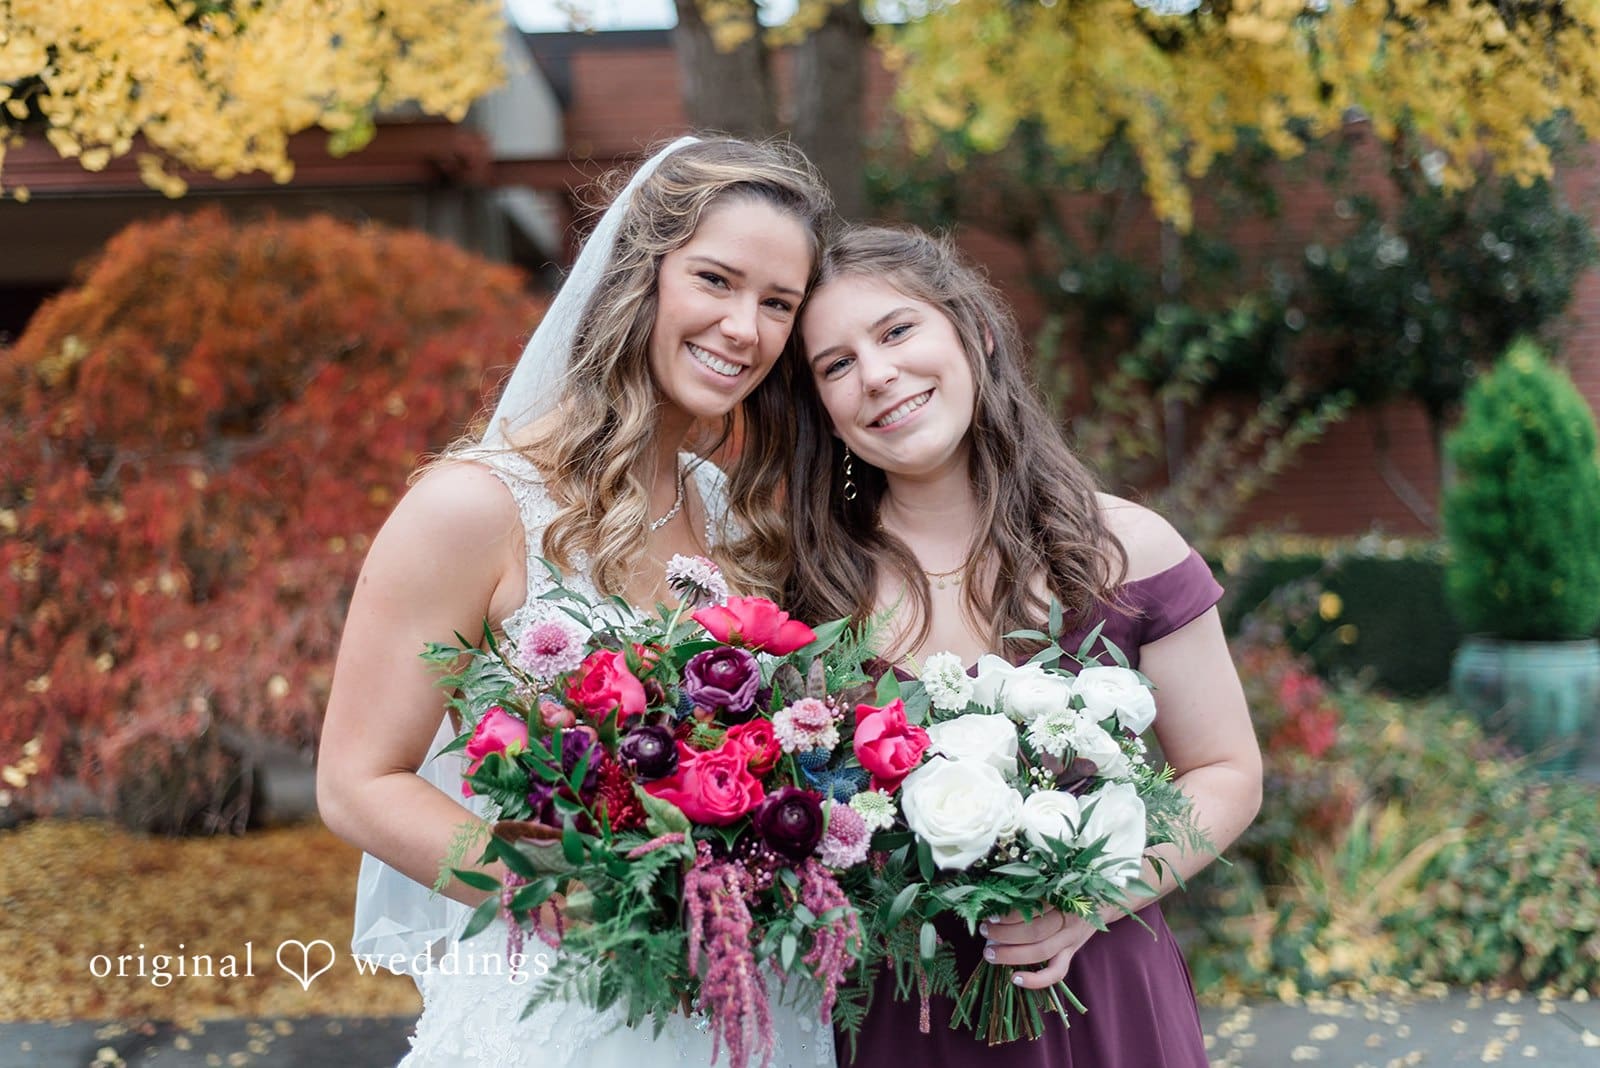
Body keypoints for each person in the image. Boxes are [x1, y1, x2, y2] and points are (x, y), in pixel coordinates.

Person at [316, 136, 835, 1067]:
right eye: (715, 280)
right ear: (640, 275)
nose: (745, 328)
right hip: (571, 1009)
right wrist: (567, 889)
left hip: (757, 1013)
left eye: (778, 304)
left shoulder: (733, 514)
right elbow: (357, 783)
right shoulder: (475, 506)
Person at [782, 225, 1262, 1067]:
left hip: (1102, 1002)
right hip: (901, 1018)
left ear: (976, 333)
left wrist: (1097, 899)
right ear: (822, 407)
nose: (878, 374)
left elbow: (1227, 772)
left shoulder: (1128, 549)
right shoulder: (806, 593)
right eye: (836, 365)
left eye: (897, 331)